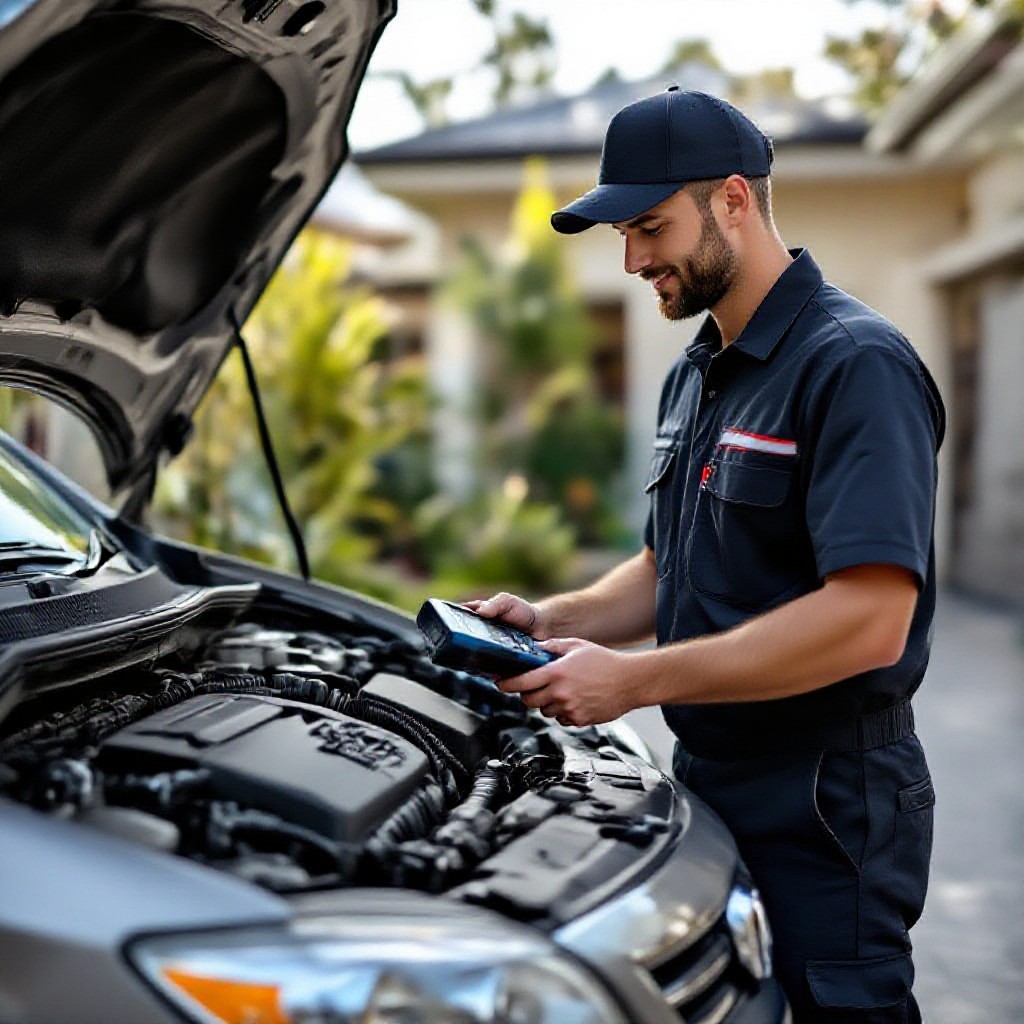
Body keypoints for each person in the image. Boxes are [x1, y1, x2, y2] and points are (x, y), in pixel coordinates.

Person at [465, 87, 945, 1023]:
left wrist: (633, 684)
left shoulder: (855, 365)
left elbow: (870, 619)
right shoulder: (698, 370)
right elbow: (667, 566)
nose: (636, 259)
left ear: (733, 199)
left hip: (826, 800)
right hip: (711, 782)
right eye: (623, 234)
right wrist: (551, 621)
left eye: (652, 226)